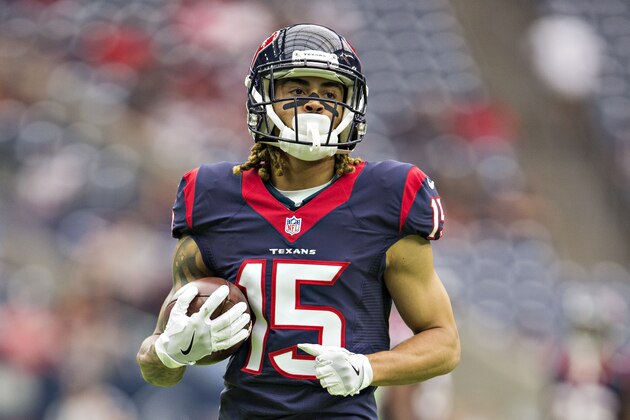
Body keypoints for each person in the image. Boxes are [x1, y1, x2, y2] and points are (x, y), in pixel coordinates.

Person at [137, 23, 460, 419]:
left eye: (329, 93)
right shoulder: (213, 193)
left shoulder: (388, 194)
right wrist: (171, 352)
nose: (315, 104)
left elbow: (443, 341)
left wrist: (368, 368)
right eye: (298, 89)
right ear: (263, 96)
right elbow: (155, 367)